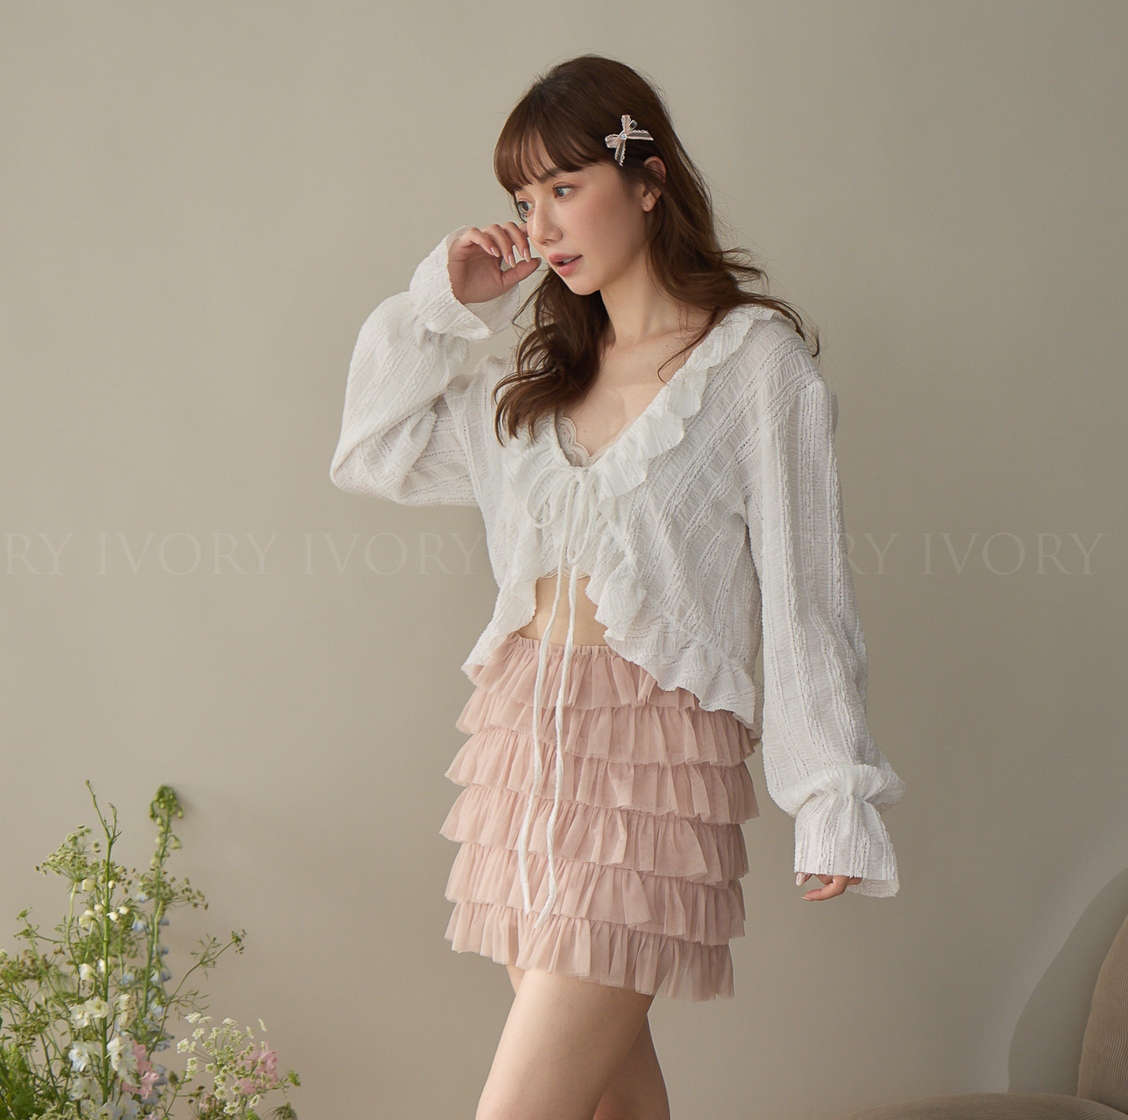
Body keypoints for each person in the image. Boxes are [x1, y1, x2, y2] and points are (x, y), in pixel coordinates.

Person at [330, 54, 905, 1120]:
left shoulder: (753, 368)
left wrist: (830, 792)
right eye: (523, 199)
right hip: (518, 758)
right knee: (612, 1106)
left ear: (647, 182)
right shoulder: (535, 384)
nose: (541, 225)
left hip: (654, 772)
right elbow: (372, 451)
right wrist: (444, 301)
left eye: (564, 186)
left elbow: (806, 593)